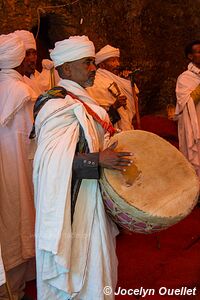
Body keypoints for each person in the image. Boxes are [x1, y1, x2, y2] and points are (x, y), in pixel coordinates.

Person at [32, 35, 133, 300]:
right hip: (70, 210)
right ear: (65, 69)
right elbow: (49, 164)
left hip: (93, 201)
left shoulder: (85, 102)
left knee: (99, 269)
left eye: (92, 62)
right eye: (87, 62)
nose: (93, 68)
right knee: (76, 274)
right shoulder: (55, 106)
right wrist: (97, 160)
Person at [0, 33, 36, 299]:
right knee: (19, 213)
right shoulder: (22, 91)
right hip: (18, 164)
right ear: (18, 58)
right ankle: (15, 287)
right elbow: (29, 138)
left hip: (5, 163)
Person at [86, 44, 137, 131]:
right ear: (102, 65)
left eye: (118, 60)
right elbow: (97, 119)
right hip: (109, 134)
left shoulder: (119, 80)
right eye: (113, 61)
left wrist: (127, 80)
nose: (117, 64)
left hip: (126, 130)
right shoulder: (96, 84)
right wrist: (114, 106)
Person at [175, 40, 200, 178]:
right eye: (199, 52)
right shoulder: (184, 78)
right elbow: (187, 102)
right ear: (190, 56)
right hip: (195, 126)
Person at [14, 30, 59, 95]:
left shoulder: (37, 76)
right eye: (27, 54)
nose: (32, 59)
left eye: (34, 53)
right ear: (19, 57)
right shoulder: (16, 83)